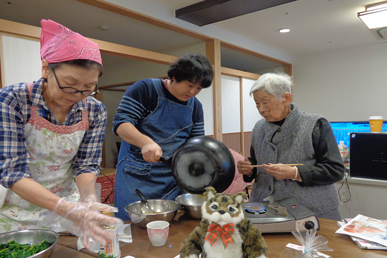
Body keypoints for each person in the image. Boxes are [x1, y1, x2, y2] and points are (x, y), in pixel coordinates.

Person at [0, 19, 121, 247]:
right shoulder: (12, 100)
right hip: (16, 208)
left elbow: (86, 164)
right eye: (69, 84)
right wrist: (66, 208)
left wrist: (87, 200)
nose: (77, 95)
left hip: (68, 203)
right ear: (46, 69)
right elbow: (12, 172)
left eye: (88, 88)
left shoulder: (94, 109)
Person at [113, 53, 213, 220]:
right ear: (174, 77)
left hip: (172, 176)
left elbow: (195, 144)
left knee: (171, 229)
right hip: (136, 175)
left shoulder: (195, 106)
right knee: (134, 228)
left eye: (199, 89)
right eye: (190, 85)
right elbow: (121, 124)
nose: (193, 92)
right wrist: (145, 142)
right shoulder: (146, 89)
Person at [237, 73, 345, 220]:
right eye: (257, 103)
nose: (261, 109)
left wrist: (294, 173)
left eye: (265, 102)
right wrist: (249, 169)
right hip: (263, 211)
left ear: (286, 99)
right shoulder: (258, 128)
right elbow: (257, 162)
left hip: (311, 212)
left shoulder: (315, 124)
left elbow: (335, 170)